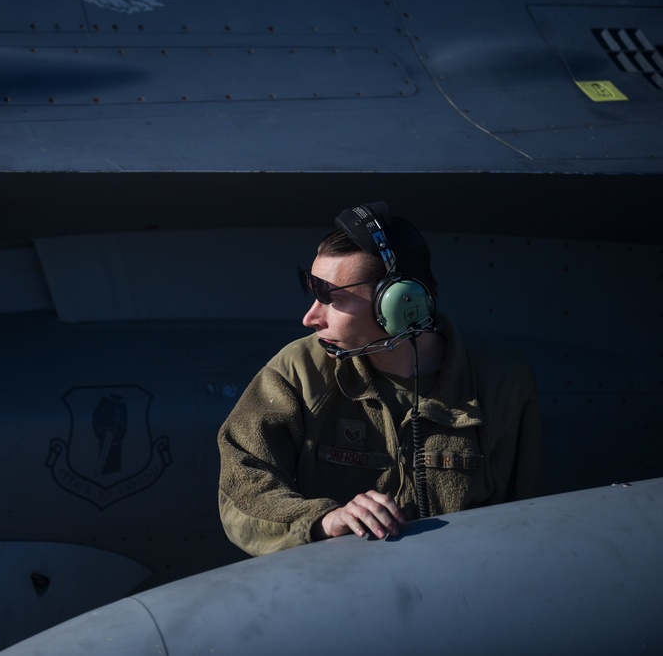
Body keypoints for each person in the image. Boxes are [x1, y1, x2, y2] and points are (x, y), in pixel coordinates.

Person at [217, 201, 544, 556]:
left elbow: (525, 519)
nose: (310, 318)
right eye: (314, 294)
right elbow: (242, 492)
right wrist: (323, 521)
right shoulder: (297, 371)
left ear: (400, 305)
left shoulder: (500, 381)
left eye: (332, 299)